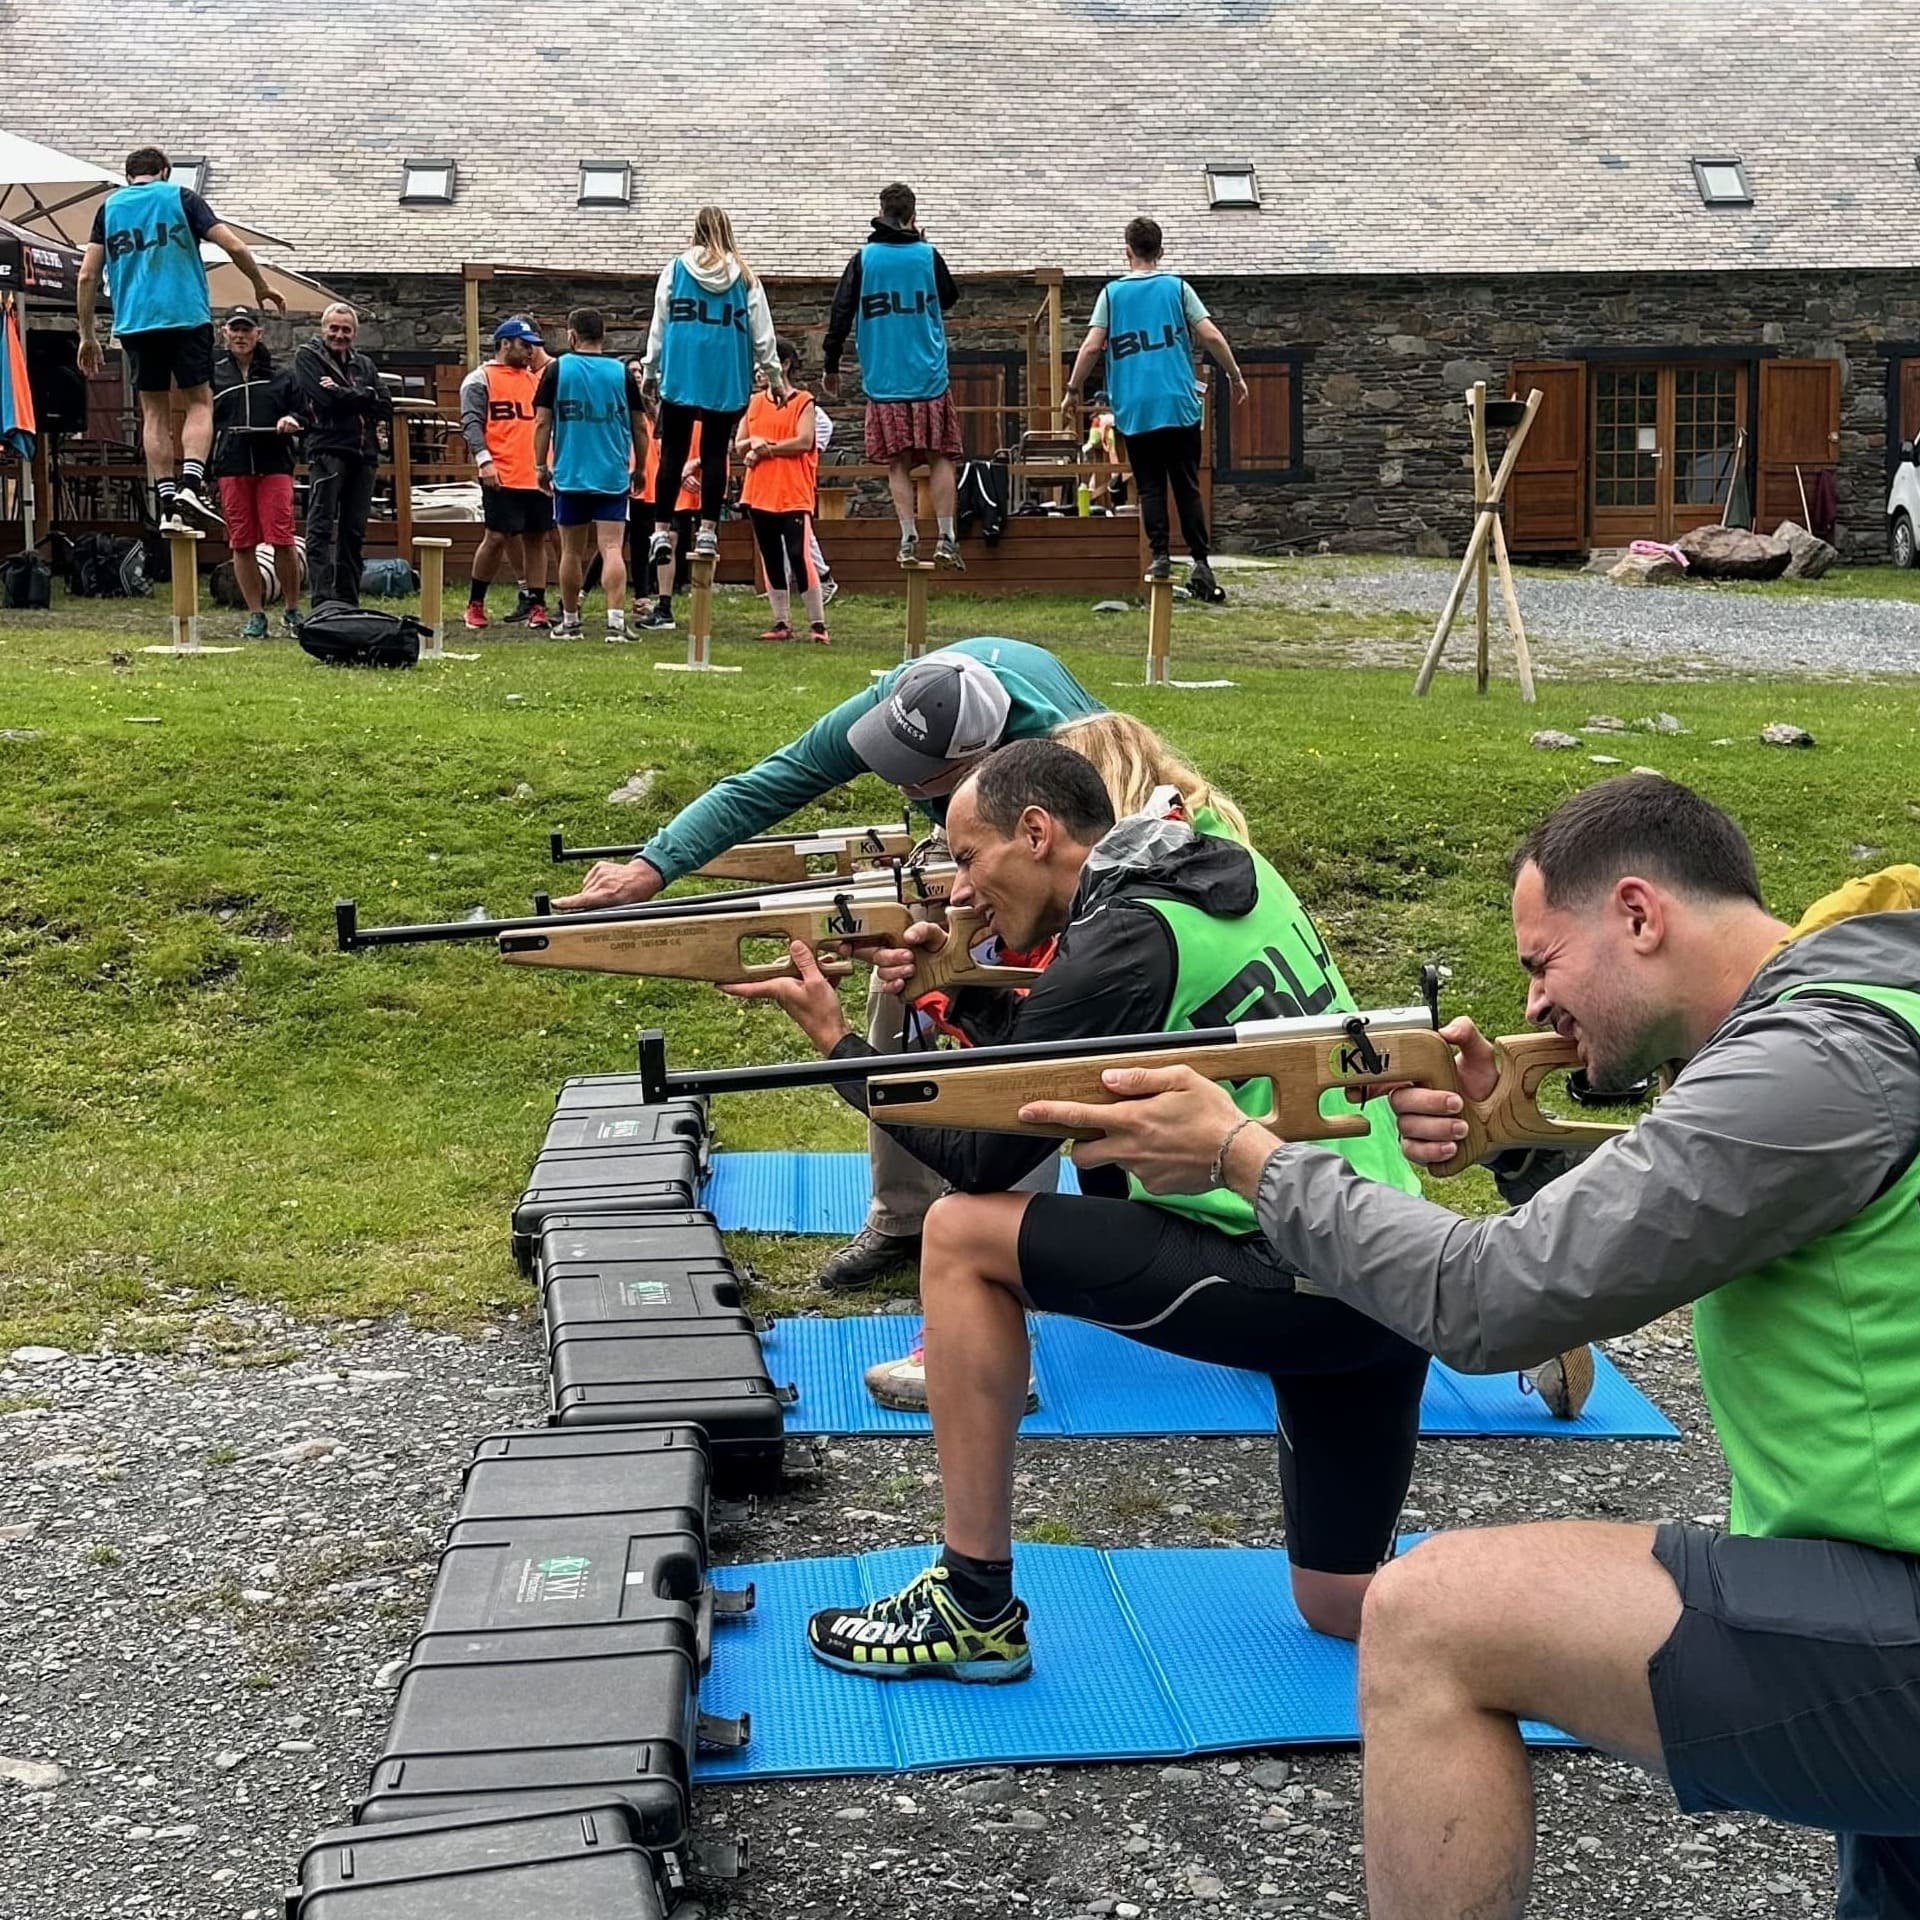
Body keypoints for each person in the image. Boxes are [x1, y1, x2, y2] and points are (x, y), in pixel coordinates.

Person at [1014, 774, 1920, 1919]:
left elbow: (1495, 1305)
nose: (1535, 1004)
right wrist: (1516, 1144)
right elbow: (1704, 1211)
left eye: (1544, 964)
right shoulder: (1868, 1000)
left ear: (1640, 916)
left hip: (1896, 1595)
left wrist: (1248, 1158)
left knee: (1433, 1617)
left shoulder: (1816, 1062)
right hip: (1876, 1564)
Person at [720, 738, 1456, 1681]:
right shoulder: (1217, 867)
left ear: (1036, 833)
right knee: (1341, 1602)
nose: (957, 890)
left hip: (1295, 1273)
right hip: (1384, 1261)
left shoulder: (1122, 938)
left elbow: (985, 1158)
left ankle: (972, 1599)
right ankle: (1598, 1610)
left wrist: (838, 1047)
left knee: (960, 1234)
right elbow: (1049, 1039)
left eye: (968, 856)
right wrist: (949, 990)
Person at [552, 643, 1105, 1284]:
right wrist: (653, 866)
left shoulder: (1064, 748)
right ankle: (902, 1220)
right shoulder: (904, 704)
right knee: (901, 983)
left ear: (977, 762)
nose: (895, 782)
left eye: (916, 777)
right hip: (984, 847)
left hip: (1055, 885)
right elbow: (769, 783)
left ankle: (1007, 1239)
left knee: (1028, 1040)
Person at [75, 146, 285, 534]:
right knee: (198, 402)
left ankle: (167, 503)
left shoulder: (110, 209)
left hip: (135, 322)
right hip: (185, 315)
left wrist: (88, 335)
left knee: (152, 412)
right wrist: (261, 284)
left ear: (128, 175)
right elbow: (234, 245)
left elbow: (87, 276)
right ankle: (191, 483)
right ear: (165, 171)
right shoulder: (182, 198)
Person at [1064, 215, 1248, 604]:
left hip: (1135, 406)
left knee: (1149, 486)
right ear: (1160, 251)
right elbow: (1211, 334)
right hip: (1179, 403)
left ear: (1127, 250)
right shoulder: (1178, 289)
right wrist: (1234, 375)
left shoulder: (1111, 295)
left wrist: (1072, 389)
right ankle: (1200, 561)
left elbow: (1092, 346)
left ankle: (1160, 557)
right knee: (1186, 485)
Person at [823, 182, 963, 569]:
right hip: (929, 375)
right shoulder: (927, 256)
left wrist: (830, 364)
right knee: (941, 455)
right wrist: (923, 244)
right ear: (913, 214)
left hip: (885, 378)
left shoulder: (865, 259)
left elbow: (840, 312)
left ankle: (907, 537)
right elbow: (949, 297)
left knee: (897, 462)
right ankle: (947, 536)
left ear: (881, 211)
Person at [640, 207, 782, 574]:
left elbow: (660, 322)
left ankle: (659, 530)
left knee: (672, 452)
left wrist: (650, 370)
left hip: (683, 368)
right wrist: (775, 377)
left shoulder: (676, 269)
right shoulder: (745, 276)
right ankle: (708, 529)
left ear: (696, 230)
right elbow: (762, 332)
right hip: (725, 371)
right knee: (715, 451)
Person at [533, 308, 649, 641]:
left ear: (572, 336)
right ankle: (615, 621)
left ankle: (570, 621)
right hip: (612, 472)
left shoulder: (557, 370)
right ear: (603, 336)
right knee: (612, 547)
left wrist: (540, 466)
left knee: (571, 550)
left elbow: (542, 421)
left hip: (570, 473)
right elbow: (640, 425)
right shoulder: (620, 373)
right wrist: (639, 467)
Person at [209, 306, 303, 637]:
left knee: (282, 537)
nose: (240, 336)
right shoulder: (213, 374)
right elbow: (201, 418)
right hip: (232, 465)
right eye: (235, 329)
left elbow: (301, 411)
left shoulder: (282, 375)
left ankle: (292, 610)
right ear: (224, 333)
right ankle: (256, 614)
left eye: (247, 330)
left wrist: (290, 420)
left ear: (259, 334)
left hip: (274, 463)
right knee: (241, 542)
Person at [293, 303, 392, 607]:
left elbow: (385, 405)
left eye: (346, 330)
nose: (339, 335)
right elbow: (323, 400)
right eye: (334, 328)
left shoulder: (364, 364)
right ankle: (322, 601)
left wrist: (343, 392)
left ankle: (349, 601)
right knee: (320, 527)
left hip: (364, 455)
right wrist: (362, 396)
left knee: (354, 530)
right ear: (323, 329)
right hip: (328, 450)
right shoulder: (307, 357)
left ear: (355, 333)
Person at [460, 317, 552, 632]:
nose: (530, 352)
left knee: (536, 538)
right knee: (496, 536)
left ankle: (537, 604)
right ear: (505, 344)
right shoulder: (480, 378)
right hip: (500, 471)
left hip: (536, 474)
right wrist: (484, 460)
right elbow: (471, 422)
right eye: (525, 345)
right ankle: (475, 603)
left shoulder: (536, 381)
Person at [737, 340, 828, 645]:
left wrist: (767, 449)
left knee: (798, 554)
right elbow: (740, 443)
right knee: (771, 556)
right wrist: (754, 445)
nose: (757, 371)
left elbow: (804, 441)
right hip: (760, 490)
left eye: (763, 365)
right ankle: (781, 622)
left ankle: (818, 624)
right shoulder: (753, 403)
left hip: (793, 491)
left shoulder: (803, 401)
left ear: (784, 364)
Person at [635, 410, 710, 634]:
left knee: (705, 544)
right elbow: (660, 448)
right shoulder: (671, 407)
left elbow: (723, 445)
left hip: (706, 482)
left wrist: (695, 464)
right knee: (668, 539)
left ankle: (703, 610)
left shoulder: (713, 404)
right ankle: (664, 606)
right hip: (677, 485)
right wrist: (678, 472)